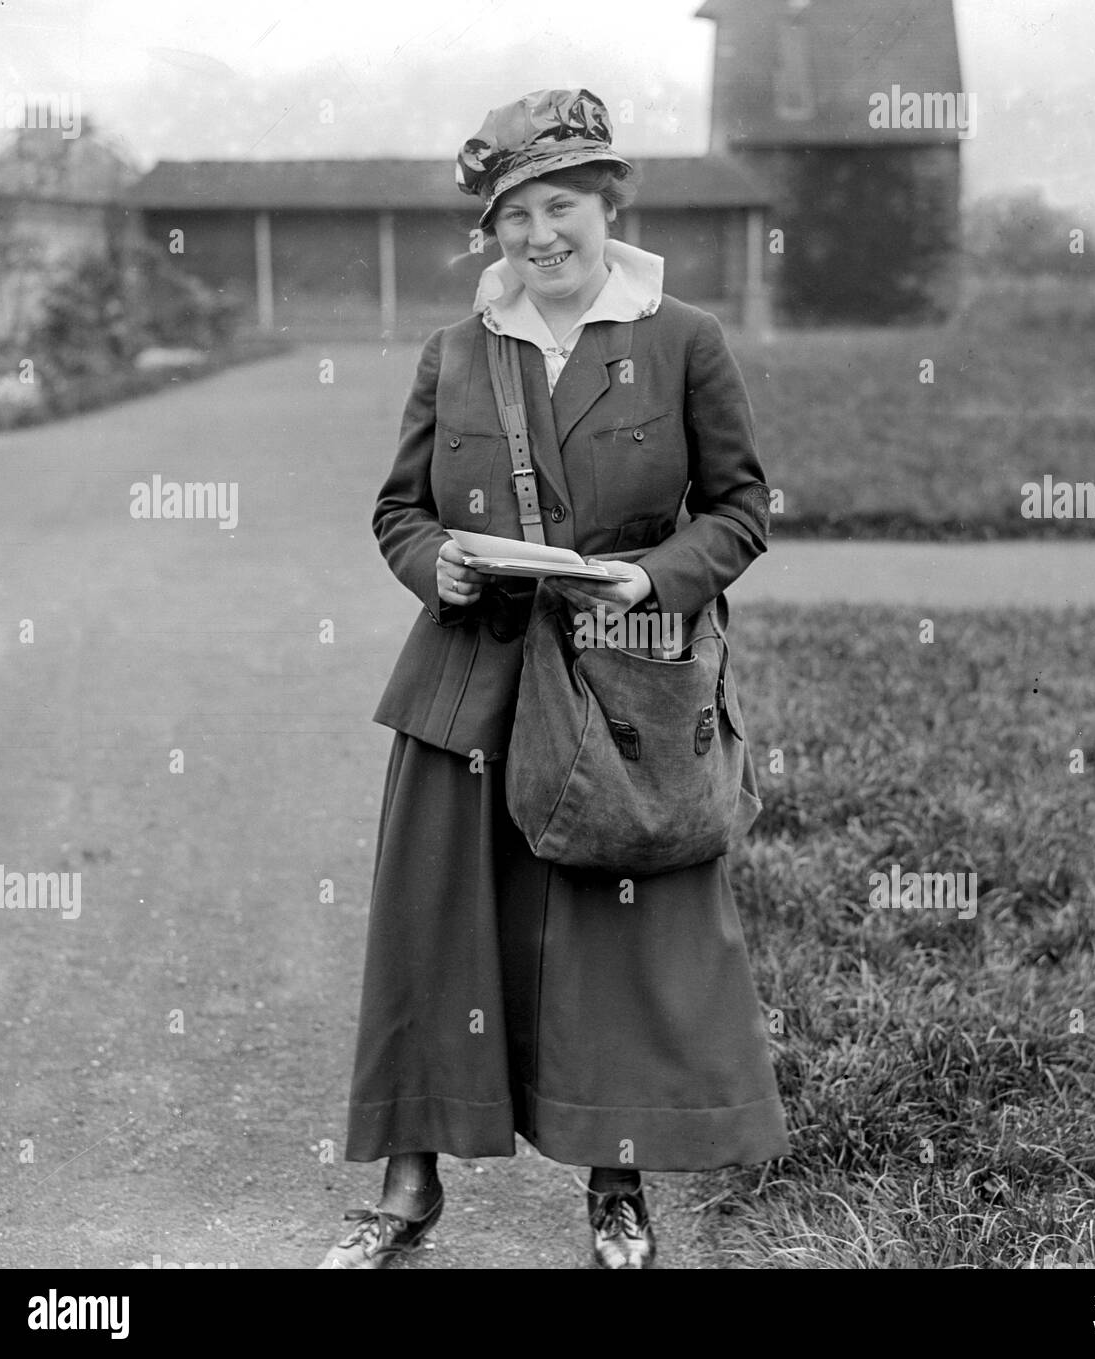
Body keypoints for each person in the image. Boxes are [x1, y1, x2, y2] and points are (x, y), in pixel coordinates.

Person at [320, 87, 788, 1270]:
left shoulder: (683, 339)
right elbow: (397, 513)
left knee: (611, 930)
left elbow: (740, 510)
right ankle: (408, 1183)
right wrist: (443, 571)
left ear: (608, 204)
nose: (540, 234)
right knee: (438, 930)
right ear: (494, 230)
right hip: (465, 686)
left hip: (623, 688)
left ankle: (615, 1185)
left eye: (563, 204)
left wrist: (653, 584)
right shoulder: (456, 353)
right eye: (514, 214)